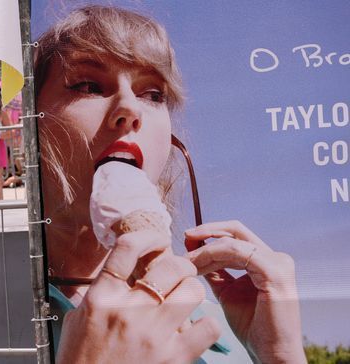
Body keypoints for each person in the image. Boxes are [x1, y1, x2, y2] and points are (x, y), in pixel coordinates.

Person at [35, 5, 305, 363]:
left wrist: (279, 355)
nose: (130, 108)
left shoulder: (224, 326)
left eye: (153, 95)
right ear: (30, 123)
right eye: (89, 85)